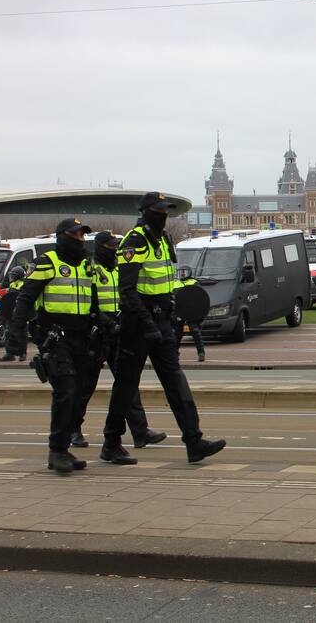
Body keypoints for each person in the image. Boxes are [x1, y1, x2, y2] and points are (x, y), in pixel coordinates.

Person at [101, 192, 225, 465]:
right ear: (145, 212)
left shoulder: (165, 240)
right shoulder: (134, 241)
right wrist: (146, 323)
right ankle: (111, 442)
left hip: (162, 322)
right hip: (138, 324)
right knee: (126, 385)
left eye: (166, 210)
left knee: (176, 382)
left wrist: (170, 316)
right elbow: (127, 290)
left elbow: (168, 281)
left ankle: (194, 442)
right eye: (158, 210)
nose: (164, 215)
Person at [4, 218, 95, 473]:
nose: (80, 239)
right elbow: (25, 299)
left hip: (82, 337)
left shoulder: (86, 265)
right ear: (62, 236)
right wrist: (16, 336)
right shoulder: (47, 263)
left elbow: (93, 299)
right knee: (65, 391)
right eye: (75, 235)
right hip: (55, 337)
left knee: (77, 394)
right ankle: (56, 451)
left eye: (82, 235)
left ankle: (65, 447)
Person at [70, 231, 166, 450]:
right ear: (100, 248)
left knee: (127, 384)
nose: (114, 250)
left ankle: (140, 432)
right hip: (96, 333)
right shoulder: (90, 269)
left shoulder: (119, 268)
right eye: (110, 247)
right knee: (85, 386)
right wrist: (105, 323)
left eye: (116, 246)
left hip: (119, 331)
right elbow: (88, 303)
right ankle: (73, 429)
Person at [173, 267, 206, 363]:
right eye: (181, 272)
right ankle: (175, 354)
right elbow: (172, 297)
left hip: (192, 311)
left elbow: (200, 297)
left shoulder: (194, 282)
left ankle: (201, 353)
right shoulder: (175, 283)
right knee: (177, 333)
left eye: (184, 272)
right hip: (180, 311)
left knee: (195, 331)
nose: (183, 274)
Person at [0, 266, 28, 362]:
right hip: (12, 312)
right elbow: (9, 299)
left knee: (21, 333)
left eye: (13, 275)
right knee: (9, 333)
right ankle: (10, 354)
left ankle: (22, 353)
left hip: (21, 313)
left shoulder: (24, 285)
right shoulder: (12, 285)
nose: (11, 277)